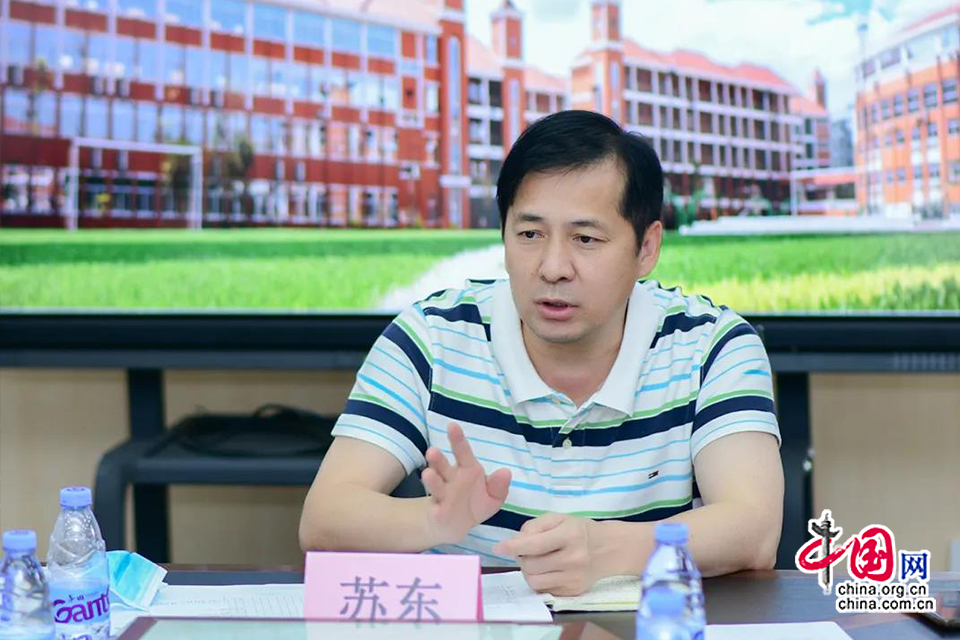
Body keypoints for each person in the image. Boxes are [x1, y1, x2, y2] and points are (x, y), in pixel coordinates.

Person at [299, 110, 783, 596]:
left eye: (586, 239)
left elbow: (754, 529)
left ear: (646, 248)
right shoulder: (430, 337)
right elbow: (324, 520)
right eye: (530, 234)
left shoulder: (712, 346)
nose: (553, 268)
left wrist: (608, 550)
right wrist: (435, 520)